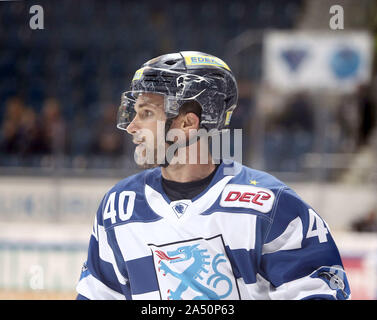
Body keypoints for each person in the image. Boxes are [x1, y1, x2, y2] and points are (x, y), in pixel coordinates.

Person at [76, 51, 350, 300]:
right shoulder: (118, 208)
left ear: (187, 123)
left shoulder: (270, 205)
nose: (132, 127)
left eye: (146, 113)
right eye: (134, 113)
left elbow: (318, 293)